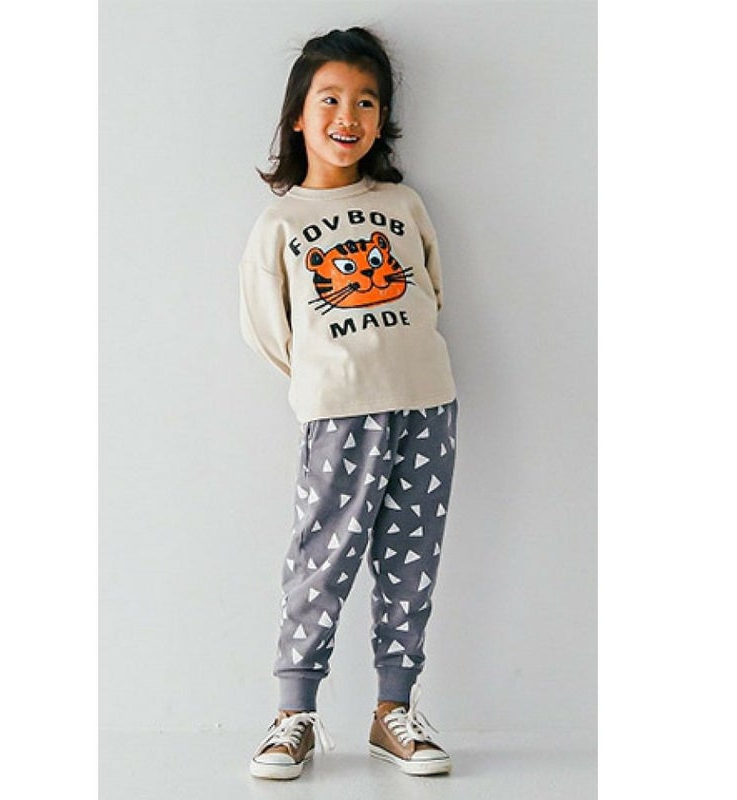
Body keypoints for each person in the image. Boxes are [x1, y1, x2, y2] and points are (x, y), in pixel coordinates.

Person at [238, 26, 459, 780]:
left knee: (412, 557)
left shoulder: (402, 203)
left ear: (383, 118)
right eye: (330, 99)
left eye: (367, 101)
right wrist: (329, 378)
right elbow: (268, 329)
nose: (348, 115)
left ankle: (394, 711)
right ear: (298, 116)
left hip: (427, 402)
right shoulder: (281, 221)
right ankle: (292, 714)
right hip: (338, 410)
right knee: (323, 556)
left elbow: (432, 292)